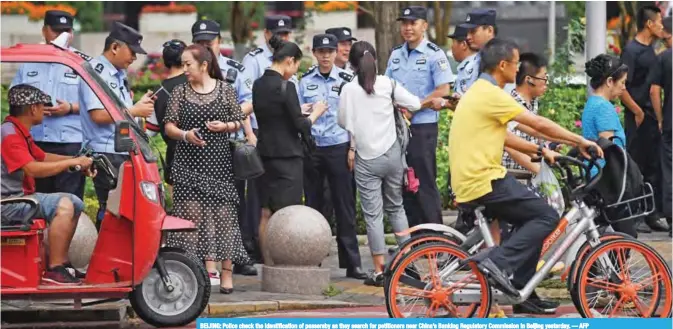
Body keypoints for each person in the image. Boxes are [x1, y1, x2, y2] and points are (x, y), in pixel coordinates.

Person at [450, 38, 602, 314]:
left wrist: (540, 150)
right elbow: (537, 124)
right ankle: (499, 261)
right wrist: (580, 140)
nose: (519, 68)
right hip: (484, 180)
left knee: (530, 219)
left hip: (473, 178)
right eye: (517, 63)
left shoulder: (480, 91)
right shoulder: (492, 94)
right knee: (546, 216)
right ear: (503, 65)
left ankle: (522, 291)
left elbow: (505, 135)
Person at [339, 41, 448, 286]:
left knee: (373, 215)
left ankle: (379, 270)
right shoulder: (388, 84)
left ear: (352, 64)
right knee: (396, 208)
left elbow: (343, 121)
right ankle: (407, 261)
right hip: (392, 156)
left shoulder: (348, 89)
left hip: (366, 159)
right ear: (375, 60)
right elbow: (415, 104)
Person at [163, 44, 249, 294]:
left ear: (204, 65)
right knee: (191, 222)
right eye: (183, 64)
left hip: (219, 164)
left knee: (224, 218)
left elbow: (239, 121)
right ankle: (192, 274)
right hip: (188, 165)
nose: (184, 69)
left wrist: (225, 126)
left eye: (188, 64)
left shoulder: (225, 90)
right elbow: (169, 126)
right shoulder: (179, 91)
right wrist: (186, 135)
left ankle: (227, 273)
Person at [1, 84, 95, 285]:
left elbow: (43, 157)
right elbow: (33, 169)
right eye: (43, 106)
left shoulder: (18, 132)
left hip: (17, 198)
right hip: (8, 204)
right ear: (33, 109)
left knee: (75, 203)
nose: (45, 110)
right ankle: (54, 269)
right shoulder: (9, 135)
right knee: (64, 204)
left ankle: (62, 264)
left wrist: (75, 161)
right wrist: (72, 162)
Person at [191, 18, 258, 276]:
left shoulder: (235, 70)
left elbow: (249, 102)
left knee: (234, 200)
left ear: (220, 42)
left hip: (230, 143)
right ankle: (203, 259)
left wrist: (227, 117)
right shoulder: (190, 71)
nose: (206, 46)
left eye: (210, 41)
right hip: (200, 146)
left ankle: (236, 256)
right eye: (200, 42)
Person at [253, 35, 328, 266]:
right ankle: (287, 261)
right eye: (296, 66)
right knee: (289, 212)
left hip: (264, 154)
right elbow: (301, 125)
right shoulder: (287, 86)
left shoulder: (258, 84)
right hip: (288, 157)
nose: (295, 71)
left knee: (266, 211)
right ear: (289, 61)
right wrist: (316, 112)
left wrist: (298, 110)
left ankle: (268, 261)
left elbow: (275, 116)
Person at [298, 34, 365, 280]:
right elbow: (298, 115)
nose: (326, 55)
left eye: (330, 51)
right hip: (314, 148)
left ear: (337, 52)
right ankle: (313, 259)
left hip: (339, 147)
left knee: (344, 205)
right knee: (314, 206)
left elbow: (355, 118)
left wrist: (352, 148)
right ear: (314, 53)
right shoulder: (304, 82)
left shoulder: (348, 80)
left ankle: (352, 263)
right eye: (321, 51)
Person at [385, 6, 454, 230]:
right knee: (404, 183)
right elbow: (387, 86)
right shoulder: (396, 54)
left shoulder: (434, 54)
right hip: (397, 129)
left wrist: (415, 106)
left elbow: (443, 90)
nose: (407, 28)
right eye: (404, 23)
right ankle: (414, 239)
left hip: (422, 128)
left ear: (424, 26)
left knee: (424, 182)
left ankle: (435, 237)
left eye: (413, 23)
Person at [10, 11, 86, 200]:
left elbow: (97, 104)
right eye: (56, 31)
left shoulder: (81, 62)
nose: (62, 36)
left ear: (72, 33)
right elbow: (14, 97)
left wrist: (70, 108)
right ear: (44, 31)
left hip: (69, 141)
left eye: (66, 31)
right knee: (36, 201)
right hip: (36, 141)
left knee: (70, 202)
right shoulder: (29, 61)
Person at [619, 5, 668, 233]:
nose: (662, 26)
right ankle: (635, 214)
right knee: (635, 166)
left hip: (651, 117)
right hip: (637, 117)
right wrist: (637, 111)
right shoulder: (631, 51)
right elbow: (622, 87)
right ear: (649, 24)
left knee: (654, 166)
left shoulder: (653, 50)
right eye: (659, 22)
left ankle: (652, 213)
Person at [581, 54, 638, 239]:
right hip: (607, 182)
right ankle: (613, 269)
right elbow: (609, 150)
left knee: (601, 234)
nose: (624, 87)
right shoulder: (603, 108)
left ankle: (599, 267)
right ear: (609, 81)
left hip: (595, 177)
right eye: (622, 82)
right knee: (626, 236)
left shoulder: (593, 103)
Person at [146, 40, 187, 198]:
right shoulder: (198, 84)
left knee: (181, 214)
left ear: (164, 62)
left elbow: (150, 131)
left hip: (175, 158)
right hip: (206, 155)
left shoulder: (159, 93)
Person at [649, 17, 673, 236]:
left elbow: (654, 91)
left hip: (670, 122)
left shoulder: (664, 58)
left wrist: (659, 117)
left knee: (670, 169)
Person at [447, 25, 478, 96]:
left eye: (453, 42)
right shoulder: (471, 64)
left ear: (463, 45)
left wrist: (444, 103)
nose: (451, 46)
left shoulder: (470, 67)